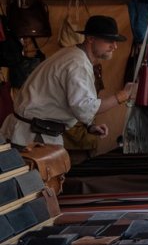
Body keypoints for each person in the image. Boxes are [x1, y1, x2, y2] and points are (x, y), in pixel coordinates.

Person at [1, 16, 134, 147]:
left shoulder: (74, 55)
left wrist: (89, 125)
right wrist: (123, 95)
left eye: (115, 41)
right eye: (109, 40)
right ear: (90, 39)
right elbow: (85, 107)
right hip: (31, 135)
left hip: (33, 130)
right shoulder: (77, 63)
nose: (114, 46)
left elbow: (73, 100)